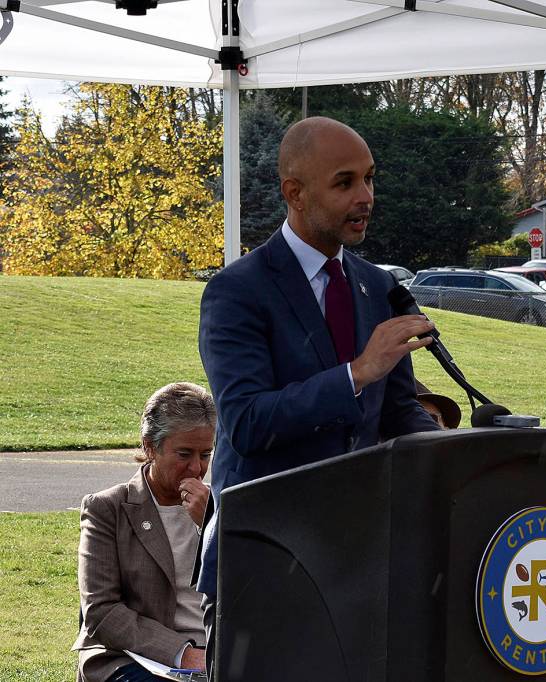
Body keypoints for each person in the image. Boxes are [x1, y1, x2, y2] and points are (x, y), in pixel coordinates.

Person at [196, 116, 440, 668]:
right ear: (295, 194)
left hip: (360, 565)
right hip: (262, 563)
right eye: (345, 182)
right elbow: (247, 423)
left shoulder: (377, 286)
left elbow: (399, 411)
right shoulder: (236, 292)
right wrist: (356, 373)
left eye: (371, 179)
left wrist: (450, 454)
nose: (366, 197)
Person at [74, 382, 215, 682]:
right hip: (131, 658)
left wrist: (212, 526)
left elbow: (253, 589)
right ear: (150, 446)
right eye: (184, 454)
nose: (196, 468)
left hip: (217, 652)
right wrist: (182, 652)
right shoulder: (107, 509)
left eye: (205, 454)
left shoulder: (221, 506)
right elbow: (101, 612)